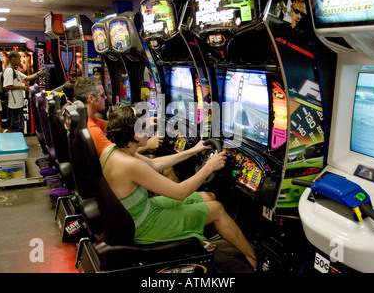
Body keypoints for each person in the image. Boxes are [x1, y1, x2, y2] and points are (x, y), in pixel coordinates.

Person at [101, 105, 257, 269]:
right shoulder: (130, 165)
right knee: (216, 209)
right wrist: (209, 167)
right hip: (144, 226)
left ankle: (200, 240)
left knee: (208, 197)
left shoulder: (114, 150)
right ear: (136, 135)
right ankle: (252, 257)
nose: (151, 129)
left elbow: (153, 163)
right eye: (146, 126)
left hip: (138, 213)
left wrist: (193, 151)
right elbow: (180, 192)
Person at [73, 76, 164, 157]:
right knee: (163, 165)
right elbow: (116, 157)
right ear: (91, 99)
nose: (105, 98)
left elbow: (116, 125)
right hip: (107, 173)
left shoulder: (89, 119)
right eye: (102, 95)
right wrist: (148, 144)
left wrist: (143, 123)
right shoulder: (93, 130)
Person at [3, 51, 45, 133]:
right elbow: (7, 86)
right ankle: (14, 143)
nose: (20, 61)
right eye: (19, 58)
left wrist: (39, 73)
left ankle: (17, 142)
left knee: (19, 126)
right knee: (14, 126)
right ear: (13, 59)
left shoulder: (15, 71)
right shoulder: (9, 71)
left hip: (19, 103)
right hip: (14, 104)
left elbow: (27, 78)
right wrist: (22, 87)